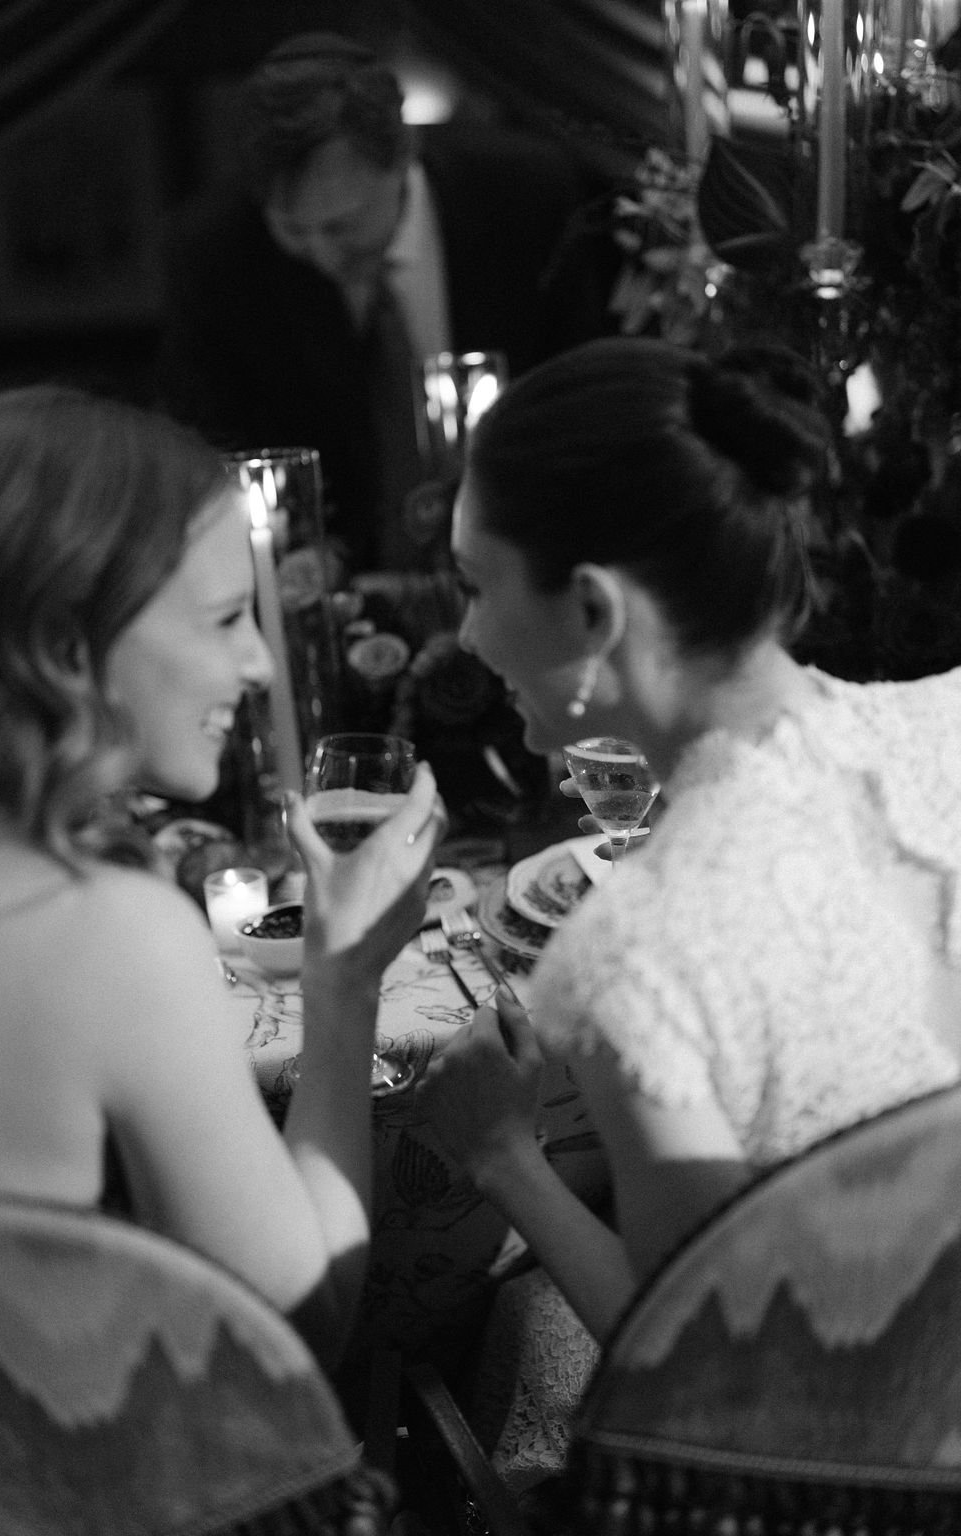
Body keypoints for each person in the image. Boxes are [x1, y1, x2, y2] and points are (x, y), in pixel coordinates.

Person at [416, 336, 961, 1489]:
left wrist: (504, 1154)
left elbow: (699, 1367)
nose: (464, 637)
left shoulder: (635, 951)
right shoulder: (944, 728)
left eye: (476, 584)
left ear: (594, 608)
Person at [0, 384, 445, 1375]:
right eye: (222, 620)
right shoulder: (101, 935)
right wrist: (343, 988)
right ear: (67, 642)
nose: (257, 663)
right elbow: (291, 1333)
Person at [153, 31, 604, 573]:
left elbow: (583, 389)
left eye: (342, 226)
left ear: (403, 158)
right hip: (335, 583)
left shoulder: (526, 196)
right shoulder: (215, 256)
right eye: (295, 229)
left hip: (528, 554)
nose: (322, 254)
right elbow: (212, 438)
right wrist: (306, 548)